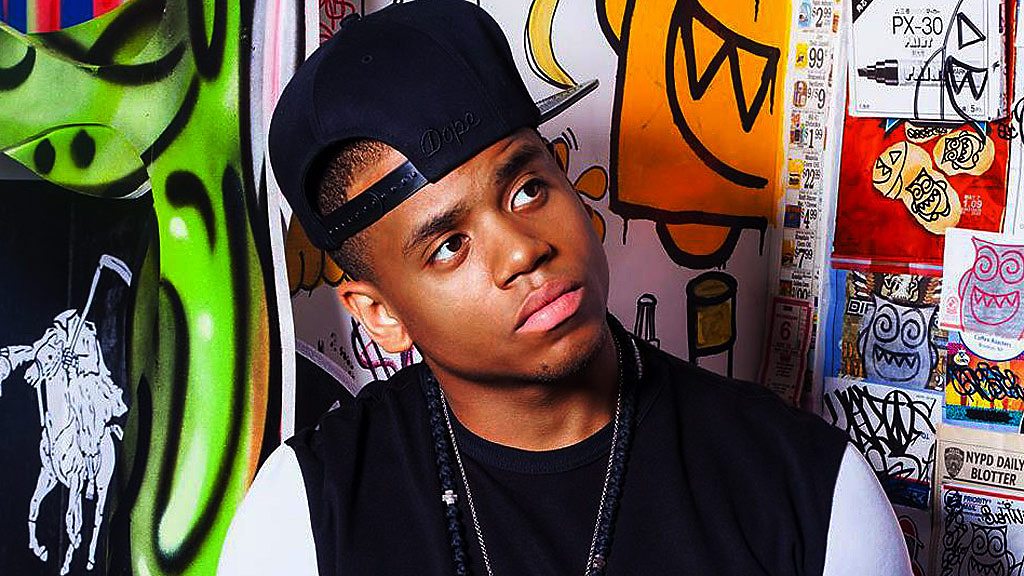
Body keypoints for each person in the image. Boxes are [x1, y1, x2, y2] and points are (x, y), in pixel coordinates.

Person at [219, 1, 912, 574]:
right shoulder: (303, 518)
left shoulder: (811, 490)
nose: (524, 249)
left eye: (526, 189)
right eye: (450, 245)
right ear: (381, 314)